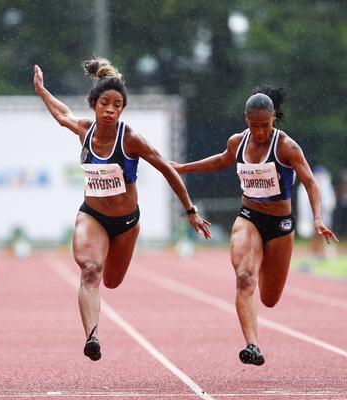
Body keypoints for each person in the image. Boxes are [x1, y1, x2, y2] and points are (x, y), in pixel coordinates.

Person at [33, 59, 211, 361]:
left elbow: (167, 170)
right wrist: (41, 90)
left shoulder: (130, 139)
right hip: (92, 215)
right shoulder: (84, 130)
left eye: (117, 105)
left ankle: (95, 322)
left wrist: (190, 210)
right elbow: (61, 113)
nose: (110, 110)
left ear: (122, 110)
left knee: (113, 281)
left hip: (127, 223)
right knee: (90, 271)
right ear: (94, 105)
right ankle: (92, 336)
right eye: (105, 103)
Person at [171, 85, 339, 366]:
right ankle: (252, 345)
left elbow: (310, 181)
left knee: (270, 298)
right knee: (245, 277)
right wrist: (183, 167)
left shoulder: (286, 146)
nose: (259, 131)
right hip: (248, 217)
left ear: (274, 119)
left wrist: (317, 217)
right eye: (253, 125)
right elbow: (221, 162)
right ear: (246, 120)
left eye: (265, 125)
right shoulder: (238, 142)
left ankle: (260, 258)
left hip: (280, 225)